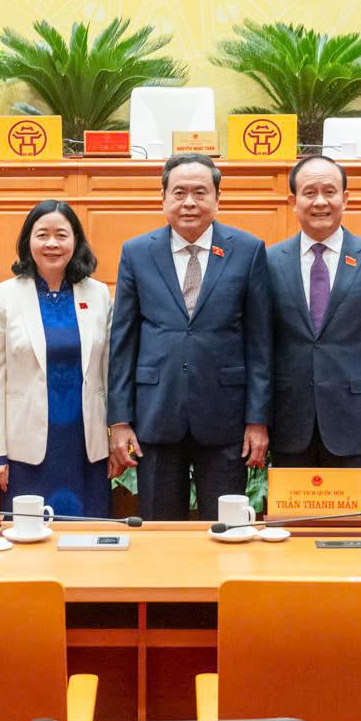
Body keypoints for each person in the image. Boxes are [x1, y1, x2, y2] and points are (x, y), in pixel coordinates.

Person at [107, 154, 273, 520]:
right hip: (156, 413)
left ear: (217, 198)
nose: (189, 202)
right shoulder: (137, 252)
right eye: (179, 192)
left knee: (227, 526)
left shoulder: (248, 250)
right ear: (163, 197)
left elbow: (260, 342)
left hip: (226, 416)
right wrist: (119, 421)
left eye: (200, 192)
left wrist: (257, 420)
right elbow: (123, 341)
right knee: (159, 527)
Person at [264, 156, 361, 506]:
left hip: (355, 422)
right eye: (309, 192)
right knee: (292, 526)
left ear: (346, 198)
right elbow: (260, 348)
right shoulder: (269, 260)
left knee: (352, 528)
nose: (320, 201)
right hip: (289, 422)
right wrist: (257, 420)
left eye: (329, 191)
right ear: (292, 200)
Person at [0, 200, 114, 520]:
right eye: (42, 235)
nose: (52, 243)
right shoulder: (3, 296)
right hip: (25, 448)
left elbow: (111, 371)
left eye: (61, 235)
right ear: (28, 241)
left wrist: (116, 435)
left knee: (86, 532)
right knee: (27, 534)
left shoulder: (98, 294)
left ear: (76, 241)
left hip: (85, 444)